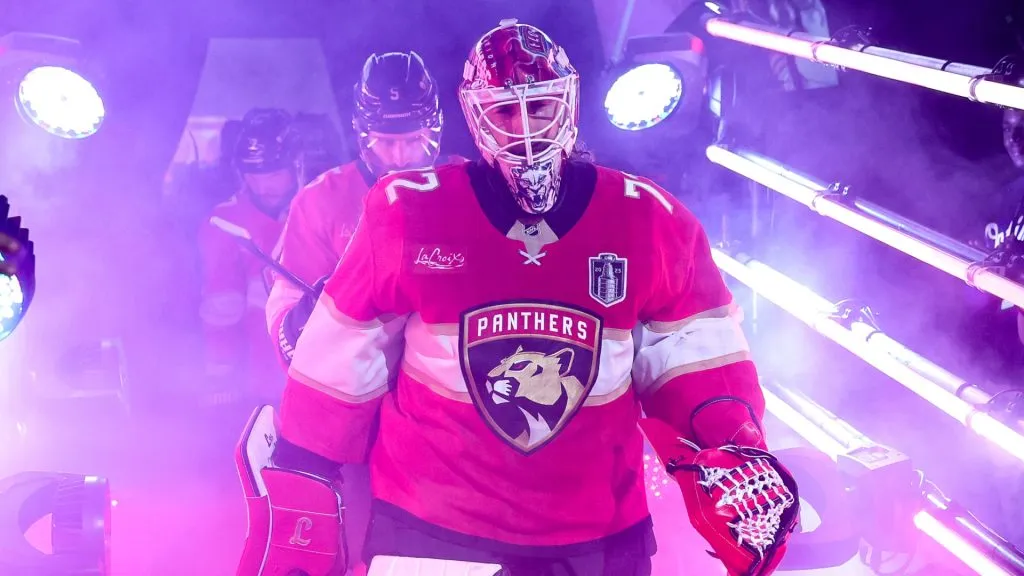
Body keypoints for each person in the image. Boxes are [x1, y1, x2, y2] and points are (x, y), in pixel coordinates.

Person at [241, 20, 798, 576]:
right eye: (506, 111)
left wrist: (732, 442)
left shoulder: (650, 219)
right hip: (435, 524)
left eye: (540, 107)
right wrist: (304, 467)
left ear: (569, 105)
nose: (525, 130)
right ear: (477, 116)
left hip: (596, 528)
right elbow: (338, 362)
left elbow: (696, 359)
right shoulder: (405, 211)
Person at [263, 50, 448, 574]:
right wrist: (298, 322)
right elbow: (281, 302)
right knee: (368, 542)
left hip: (448, 408)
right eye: (387, 141)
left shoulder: (465, 188)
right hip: (362, 408)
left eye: (412, 139)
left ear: (434, 130)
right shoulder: (321, 201)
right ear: (362, 134)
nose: (400, 154)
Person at [198, 108, 301, 405]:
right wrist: (220, 373)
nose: (264, 186)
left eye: (274, 174)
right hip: (260, 378)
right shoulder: (223, 222)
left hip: (323, 370)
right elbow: (220, 306)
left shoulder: (319, 207)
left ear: (297, 166)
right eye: (254, 176)